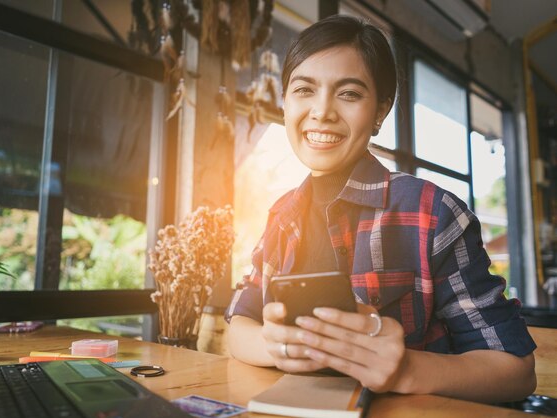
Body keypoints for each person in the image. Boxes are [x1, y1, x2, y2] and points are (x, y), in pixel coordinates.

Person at [225, 14, 536, 403]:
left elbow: (517, 371)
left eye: (349, 94)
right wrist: (278, 346)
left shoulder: (433, 213)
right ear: (285, 103)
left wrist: (406, 368)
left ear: (380, 112)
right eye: (303, 90)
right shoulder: (281, 215)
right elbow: (239, 324)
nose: (321, 111)